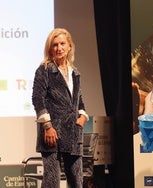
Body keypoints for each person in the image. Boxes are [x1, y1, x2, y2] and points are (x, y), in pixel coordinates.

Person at [32, 28, 89, 188]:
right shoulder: (44, 70)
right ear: (50, 48)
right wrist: (47, 127)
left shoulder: (75, 73)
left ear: (69, 46)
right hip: (52, 132)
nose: (59, 48)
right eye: (55, 45)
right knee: (52, 182)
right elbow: (37, 99)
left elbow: (80, 101)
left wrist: (83, 117)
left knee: (77, 181)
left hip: (73, 131)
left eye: (62, 43)